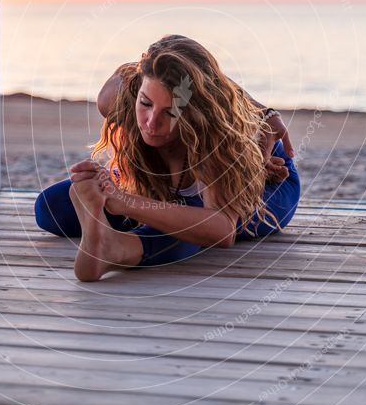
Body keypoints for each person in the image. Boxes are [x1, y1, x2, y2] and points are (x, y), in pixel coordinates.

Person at [34, 34, 300, 281]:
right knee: (51, 208)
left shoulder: (213, 133)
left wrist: (124, 201)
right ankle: (143, 214)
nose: (151, 123)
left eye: (170, 112)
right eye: (146, 103)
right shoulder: (117, 97)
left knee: (196, 222)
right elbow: (165, 67)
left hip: (265, 182)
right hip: (170, 184)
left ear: (197, 109)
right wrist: (106, 187)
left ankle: (116, 248)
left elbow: (222, 229)